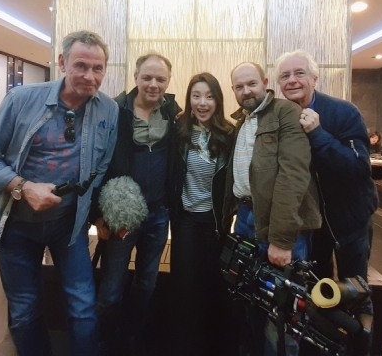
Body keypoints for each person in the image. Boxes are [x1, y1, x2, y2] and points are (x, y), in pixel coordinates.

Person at [0, 30, 119, 356]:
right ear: (63, 62)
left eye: (98, 69)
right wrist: (23, 187)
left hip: (70, 225)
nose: (90, 77)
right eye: (81, 66)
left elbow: (101, 170)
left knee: (83, 307)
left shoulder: (109, 110)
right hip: (15, 225)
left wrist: (100, 216)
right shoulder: (21, 99)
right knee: (24, 310)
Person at [221, 62, 321, 356]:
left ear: (265, 82)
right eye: (239, 87)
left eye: (251, 83)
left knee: (283, 314)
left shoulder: (285, 112)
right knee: (253, 300)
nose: (246, 91)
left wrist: (281, 238)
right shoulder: (242, 121)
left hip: (280, 224)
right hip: (246, 219)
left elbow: (293, 177)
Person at [94, 53, 180, 356]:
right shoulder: (115, 110)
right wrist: (98, 216)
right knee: (112, 286)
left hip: (158, 214)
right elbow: (98, 163)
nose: (153, 84)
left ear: (168, 81)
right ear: (135, 77)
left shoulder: (173, 111)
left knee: (147, 283)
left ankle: (134, 338)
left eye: (161, 79)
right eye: (147, 77)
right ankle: (105, 342)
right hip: (121, 215)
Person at [274, 50, 378, 284]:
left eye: (299, 73)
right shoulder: (280, 117)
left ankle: (356, 321)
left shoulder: (344, 112)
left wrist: (318, 134)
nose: (292, 80)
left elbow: (359, 168)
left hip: (348, 220)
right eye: (285, 76)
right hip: (310, 223)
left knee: (353, 288)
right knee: (316, 287)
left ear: (314, 79)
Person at [170, 72, 236, 356]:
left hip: (215, 224)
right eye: (196, 96)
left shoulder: (229, 134)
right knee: (186, 288)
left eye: (209, 96)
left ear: (218, 100)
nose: (202, 102)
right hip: (185, 220)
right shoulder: (179, 131)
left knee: (215, 286)